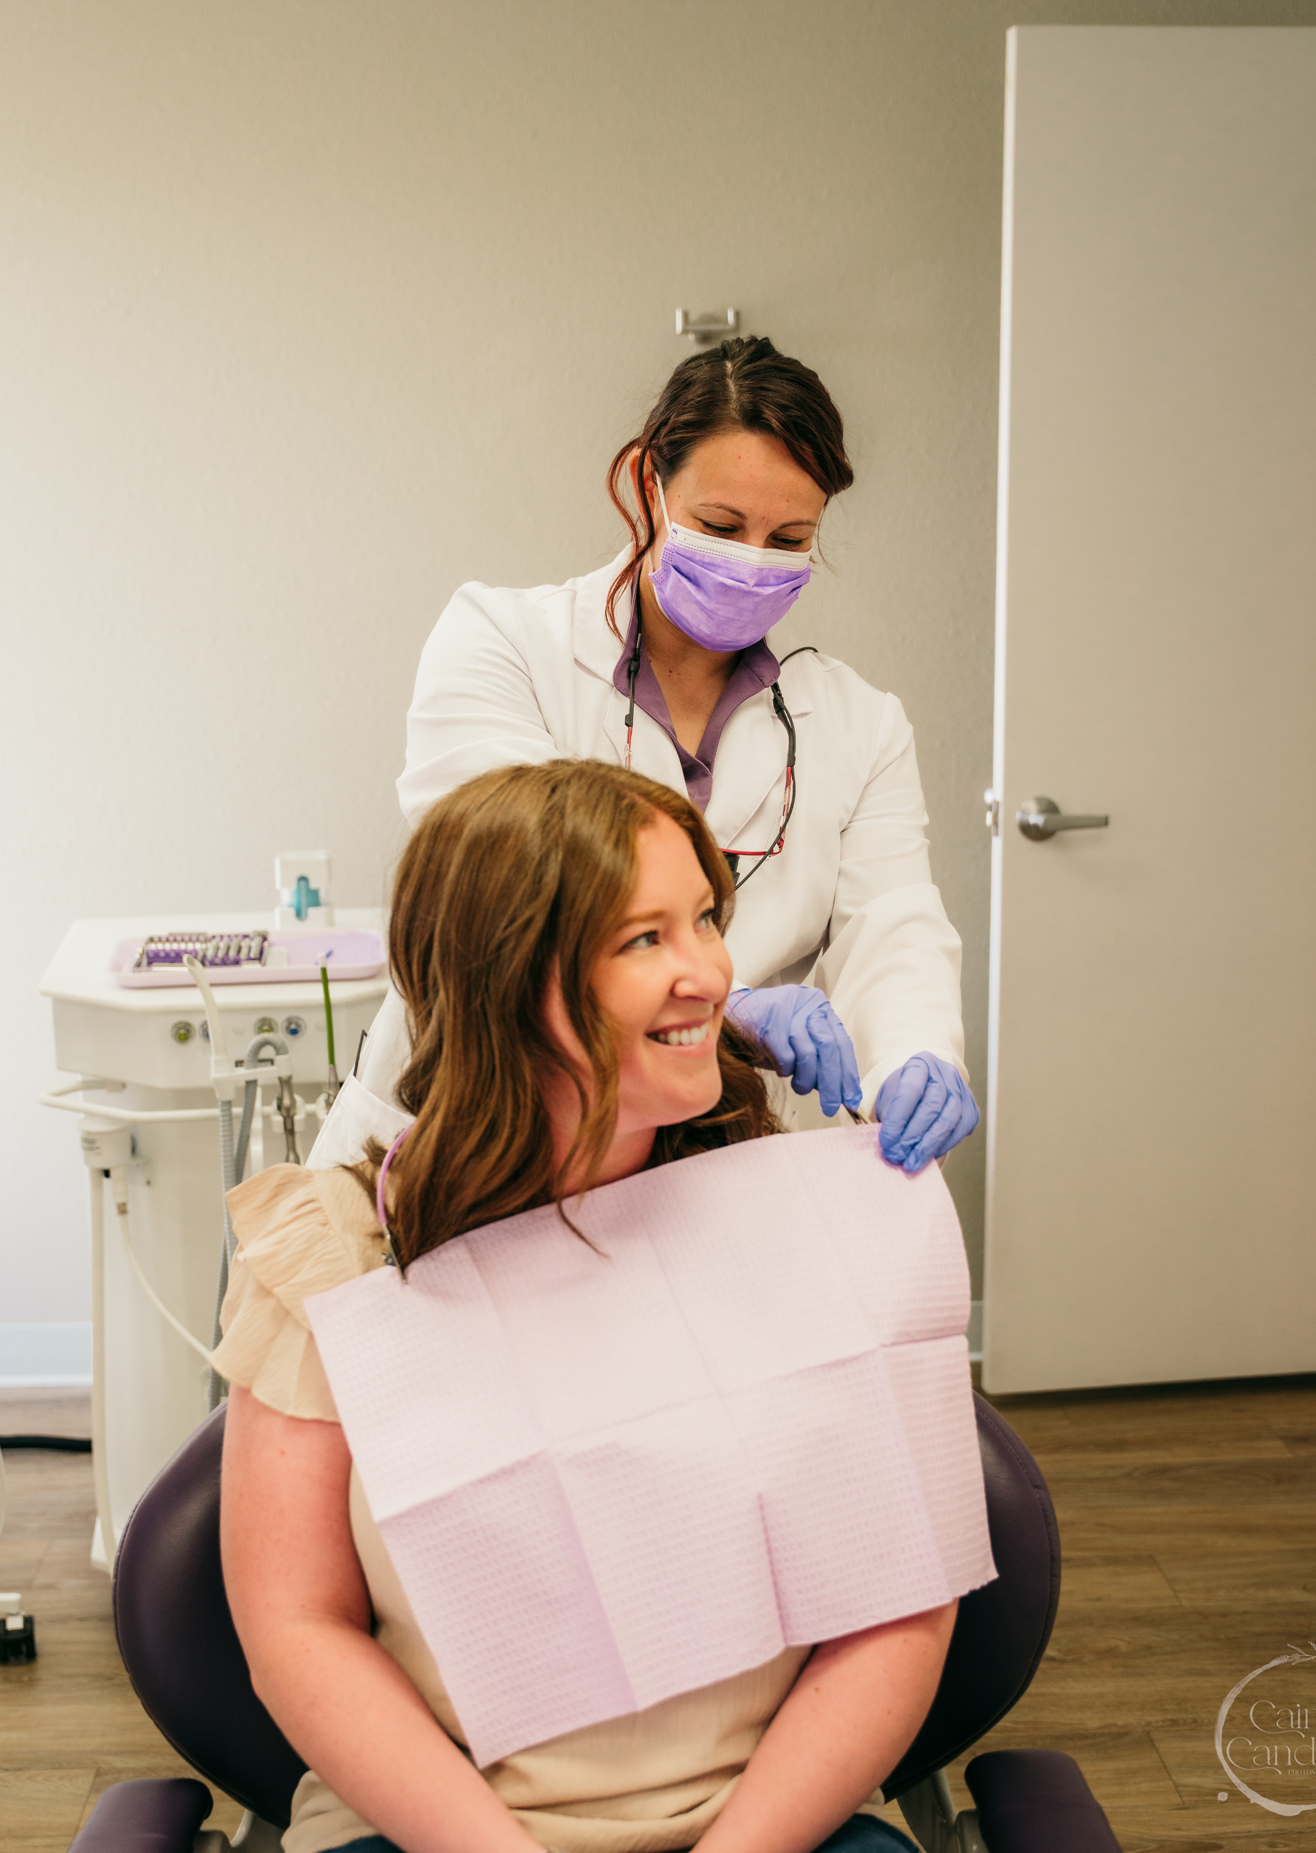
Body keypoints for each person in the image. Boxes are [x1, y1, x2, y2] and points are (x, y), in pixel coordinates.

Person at [216, 760, 956, 1853]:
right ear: (511, 982)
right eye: (643, 940)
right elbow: (297, 1627)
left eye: (705, 921)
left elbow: (901, 1598)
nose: (709, 973)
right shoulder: (338, 1260)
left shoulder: (795, 1220)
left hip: (776, 1822)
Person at [312, 337, 976, 1180]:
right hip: (481, 1136)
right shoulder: (503, 643)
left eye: (789, 538)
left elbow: (894, 929)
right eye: (722, 526)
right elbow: (502, 900)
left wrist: (914, 1056)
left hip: (697, 1151)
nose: (752, 561)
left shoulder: (859, 725)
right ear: (646, 484)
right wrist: (723, 1010)